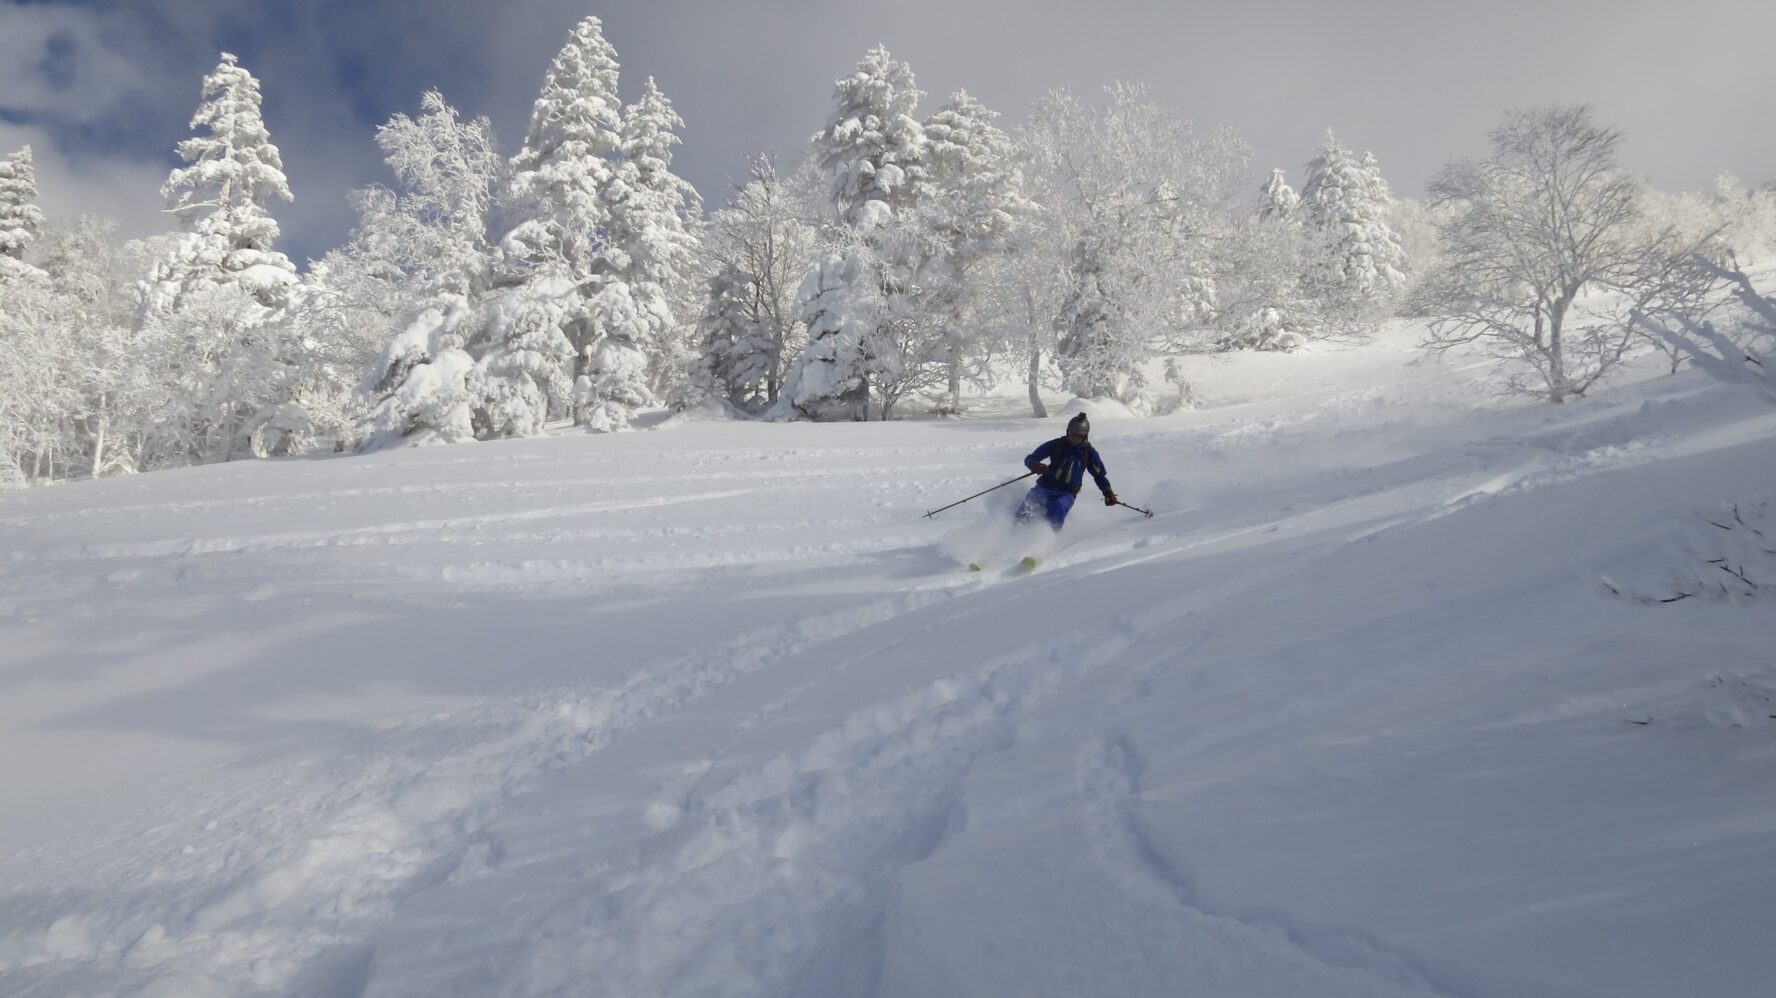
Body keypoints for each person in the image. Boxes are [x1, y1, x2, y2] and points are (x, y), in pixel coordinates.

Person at [1017, 412, 1117, 530]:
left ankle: (1046, 538)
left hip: (1066, 493)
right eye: (1072, 435)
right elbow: (1030, 458)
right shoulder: (1057, 444)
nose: (1074, 439)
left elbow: (1099, 476)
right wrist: (1035, 465)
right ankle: (1016, 529)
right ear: (1067, 431)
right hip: (1045, 486)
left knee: (1058, 506)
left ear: (1085, 436)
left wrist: (1108, 492)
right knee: (1031, 501)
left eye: (1079, 436)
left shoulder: (1088, 453)